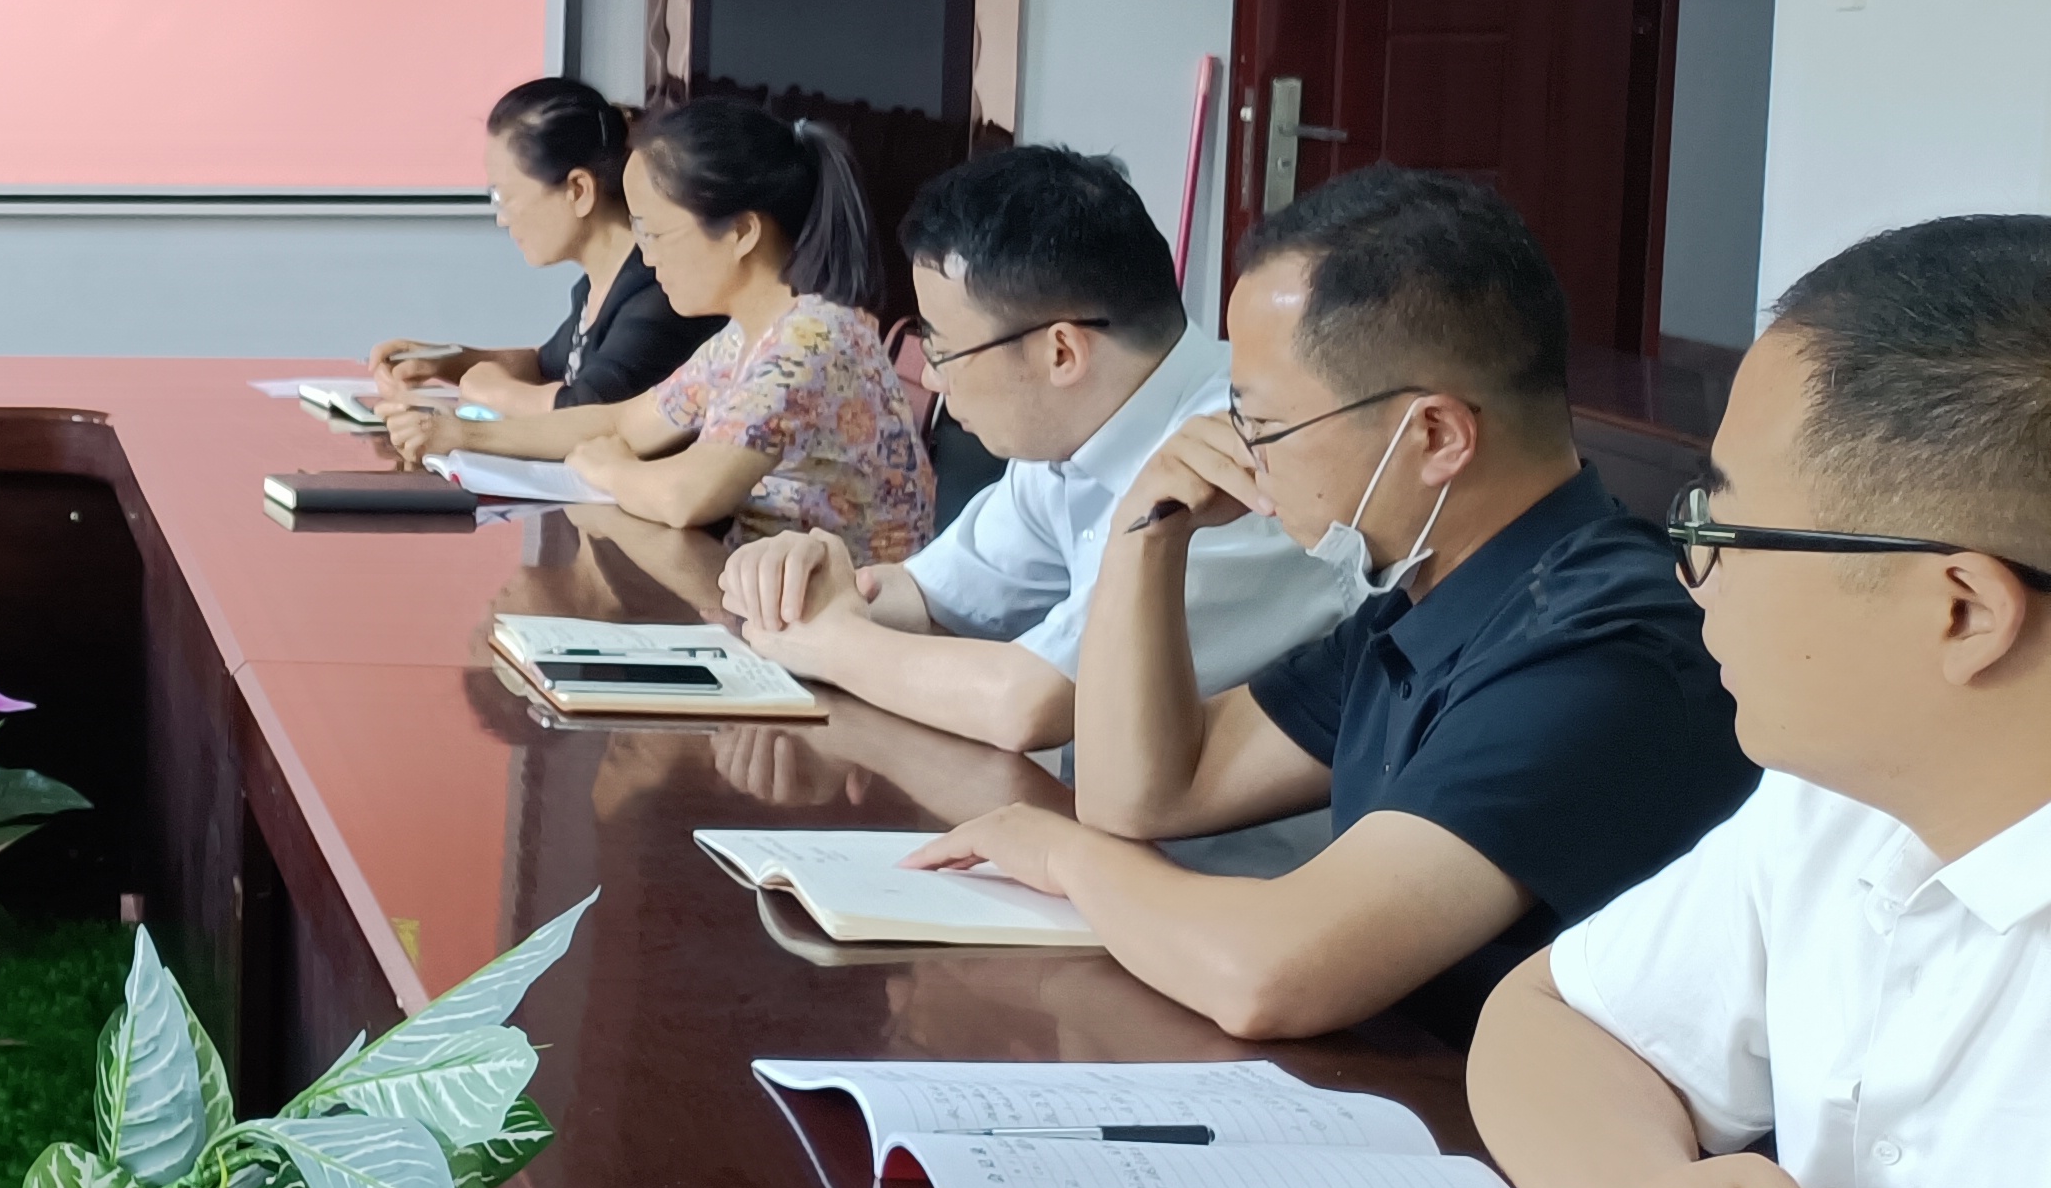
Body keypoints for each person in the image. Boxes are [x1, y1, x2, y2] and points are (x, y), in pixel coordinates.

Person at [1470, 215, 2051, 1188]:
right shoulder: (1842, 800)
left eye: (1724, 527)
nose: (1696, 574)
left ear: (1962, 611)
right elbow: (1552, 1018)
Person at [912, 164, 1752, 1043]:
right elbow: (1142, 796)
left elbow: (1273, 976)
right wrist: (1145, 532)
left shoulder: (1604, 648)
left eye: (1266, 426)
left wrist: (1060, 857)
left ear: (1435, 436)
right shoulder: (1427, 591)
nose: (1242, 455)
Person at [719, 142, 1350, 751]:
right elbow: (939, 600)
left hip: (1218, 829)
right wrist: (808, 584)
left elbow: (1031, 701)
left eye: (942, 349)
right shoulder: (1072, 434)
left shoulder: (1241, 457)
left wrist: (830, 644)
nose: (930, 377)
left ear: (1061, 352)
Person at [553, 97, 932, 560]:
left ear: (742, 232)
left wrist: (610, 468)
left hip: (840, 599)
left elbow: (684, 495)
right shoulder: (747, 337)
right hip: (769, 589)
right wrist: (476, 438)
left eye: (654, 234)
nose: (647, 259)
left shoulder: (810, 341)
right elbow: (624, 421)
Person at [370, 78, 722, 463]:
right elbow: (547, 366)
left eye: (505, 196)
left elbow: (588, 411)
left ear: (578, 190)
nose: (503, 218)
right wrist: (447, 360)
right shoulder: (601, 282)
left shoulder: (661, 290)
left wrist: (493, 394)